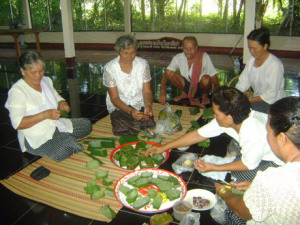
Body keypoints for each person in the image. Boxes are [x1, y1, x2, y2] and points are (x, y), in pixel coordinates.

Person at [147, 86, 284, 182]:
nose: (213, 115)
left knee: (238, 178)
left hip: (280, 162)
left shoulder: (252, 133)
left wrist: (215, 167)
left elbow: (248, 165)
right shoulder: (234, 118)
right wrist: (163, 147)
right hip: (256, 149)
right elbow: (197, 135)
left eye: (217, 114)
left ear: (229, 116)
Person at [215, 96, 300, 225]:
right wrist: (257, 189)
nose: (267, 136)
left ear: (281, 139)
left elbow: (242, 212)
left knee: (231, 212)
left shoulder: (273, 179)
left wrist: (224, 192)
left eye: (268, 131)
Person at [5, 51, 92, 162]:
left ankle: (63, 138)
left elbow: (57, 98)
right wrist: (45, 115)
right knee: (64, 150)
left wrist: (62, 104)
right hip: (36, 135)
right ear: (23, 71)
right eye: (33, 72)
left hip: (56, 125)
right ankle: (63, 140)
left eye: (41, 71)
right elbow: (18, 124)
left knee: (86, 125)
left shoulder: (46, 81)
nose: (38, 76)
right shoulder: (17, 91)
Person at [103, 35, 155, 136]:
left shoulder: (143, 64)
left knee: (149, 123)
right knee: (121, 129)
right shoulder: (109, 68)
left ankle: (135, 123)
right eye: (125, 53)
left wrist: (148, 105)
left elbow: (147, 91)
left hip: (138, 102)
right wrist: (130, 111)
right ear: (119, 52)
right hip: (120, 105)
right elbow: (114, 98)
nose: (129, 57)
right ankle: (132, 123)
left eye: (132, 53)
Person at [158, 36, 219, 107]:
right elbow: (167, 73)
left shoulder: (204, 57)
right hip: (187, 86)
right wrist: (162, 91)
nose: (189, 51)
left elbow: (213, 75)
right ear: (182, 48)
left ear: (196, 48)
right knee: (171, 74)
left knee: (206, 79)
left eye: (191, 48)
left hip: (200, 87)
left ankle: (204, 96)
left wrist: (217, 92)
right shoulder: (178, 58)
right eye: (186, 48)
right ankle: (185, 94)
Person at [236, 28, 286, 113]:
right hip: (257, 101)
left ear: (265, 46)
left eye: (254, 48)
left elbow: (271, 94)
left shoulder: (274, 64)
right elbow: (242, 83)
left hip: (274, 104)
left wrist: (249, 100)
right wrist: (234, 95)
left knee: (245, 114)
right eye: (249, 48)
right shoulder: (251, 61)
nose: (251, 51)